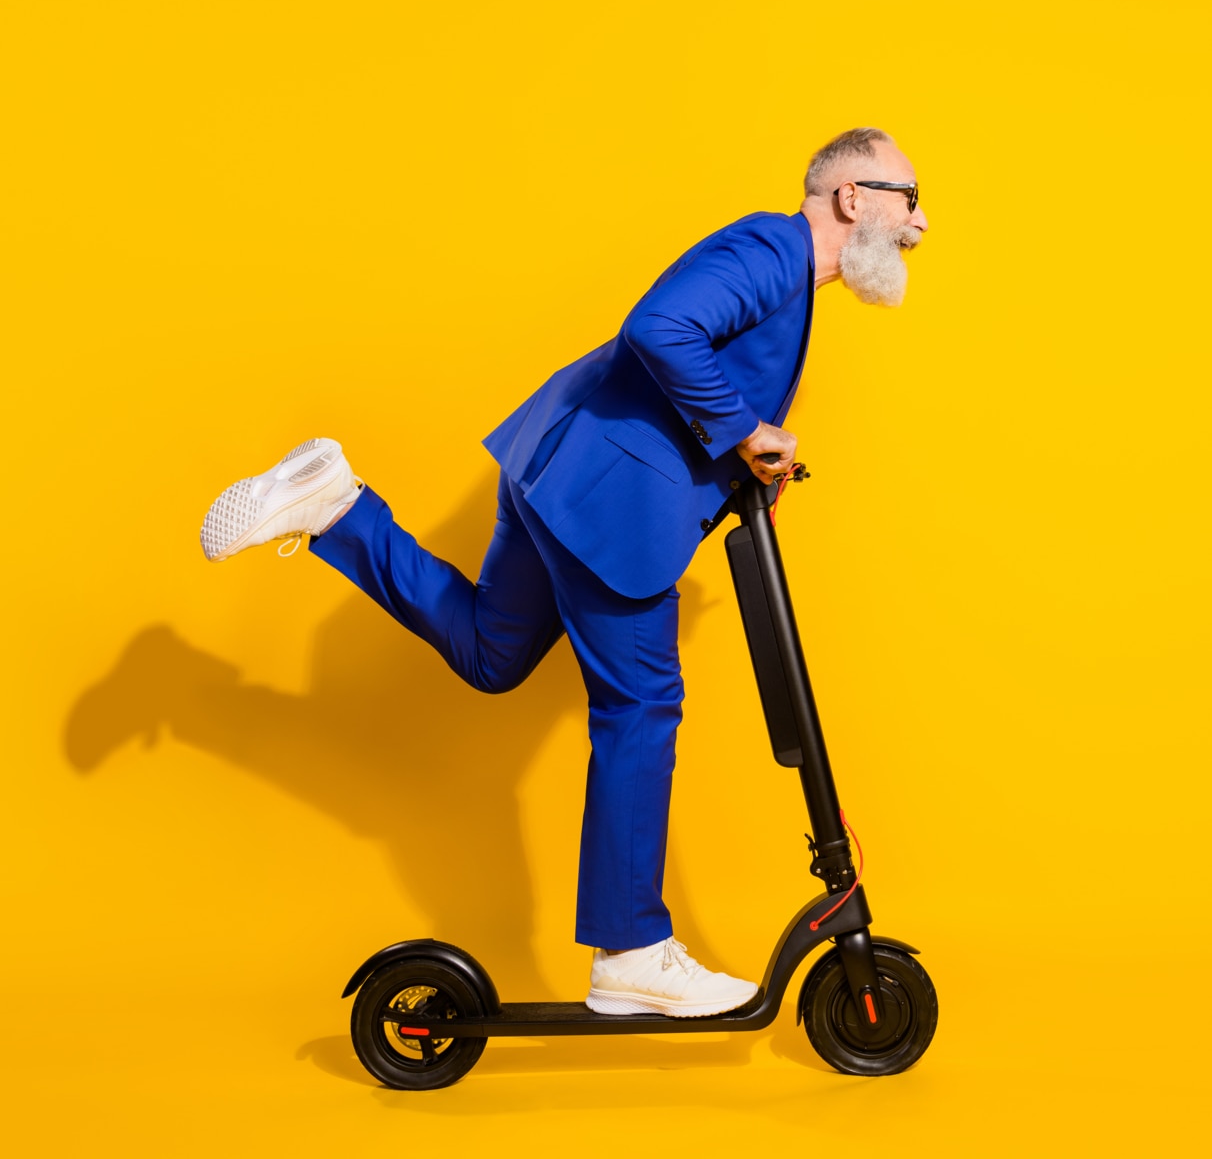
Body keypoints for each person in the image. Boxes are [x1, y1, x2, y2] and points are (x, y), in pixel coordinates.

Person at [200, 127, 927, 1018]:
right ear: (854, 198)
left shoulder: (790, 285)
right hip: (606, 504)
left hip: (565, 475)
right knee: (641, 704)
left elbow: (686, 369)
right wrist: (744, 430)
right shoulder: (773, 247)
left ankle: (338, 507)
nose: (919, 227)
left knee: (490, 655)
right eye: (909, 199)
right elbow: (659, 326)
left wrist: (749, 461)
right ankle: (632, 949)